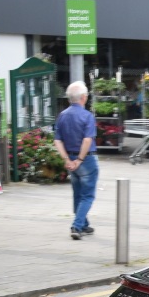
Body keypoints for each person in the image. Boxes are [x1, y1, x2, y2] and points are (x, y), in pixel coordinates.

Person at [53, 81, 98, 241]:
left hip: (69, 157)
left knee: (77, 192)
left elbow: (57, 140)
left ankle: (84, 224)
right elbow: (87, 140)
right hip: (85, 159)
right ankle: (77, 226)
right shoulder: (87, 116)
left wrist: (67, 159)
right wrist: (79, 159)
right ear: (84, 97)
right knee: (87, 195)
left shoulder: (63, 115)